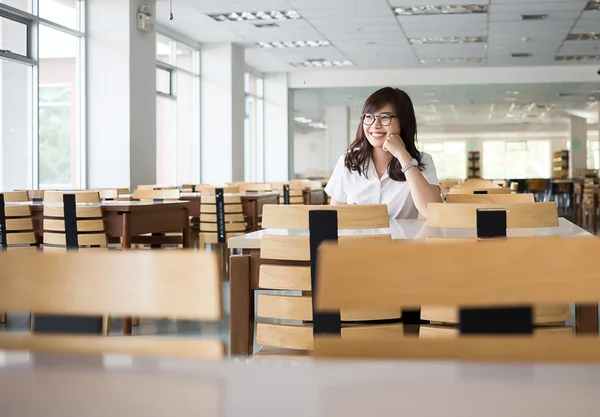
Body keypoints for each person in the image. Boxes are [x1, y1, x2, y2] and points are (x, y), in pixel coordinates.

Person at [325, 87, 442, 219]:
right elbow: (334, 217)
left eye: (385, 117)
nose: (375, 125)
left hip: (400, 239)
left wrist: (402, 155)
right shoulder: (349, 160)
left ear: (403, 122)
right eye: (369, 117)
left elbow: (432, 212)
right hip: (358, 239)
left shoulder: (422, 161)